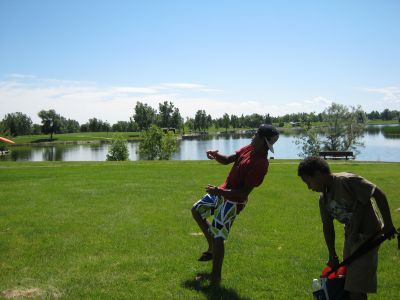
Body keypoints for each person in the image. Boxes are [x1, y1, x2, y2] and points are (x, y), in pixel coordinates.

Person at [298, 156, 397, 300]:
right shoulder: (323, 198)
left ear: (319, 174)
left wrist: (388, 224)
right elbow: (327, 225)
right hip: (351, 238)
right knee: (347, 282)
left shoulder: (346, 181)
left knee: (355, 287)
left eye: (308, 182)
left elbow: (378, 194)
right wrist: (332, 255)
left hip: (368, 237)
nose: (309, 187)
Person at [191, 124, 279, 285]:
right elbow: (227, 160)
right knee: (197, 209)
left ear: (263, 140)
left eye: (256, 134)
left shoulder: (261, 164)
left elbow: (244, 193)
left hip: (233, 201)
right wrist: (216, 155)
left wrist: (219, 192)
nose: (253, 136)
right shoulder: (249, 149)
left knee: (219, 236)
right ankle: (211, 244)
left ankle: (215, 278)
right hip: (222, 192)